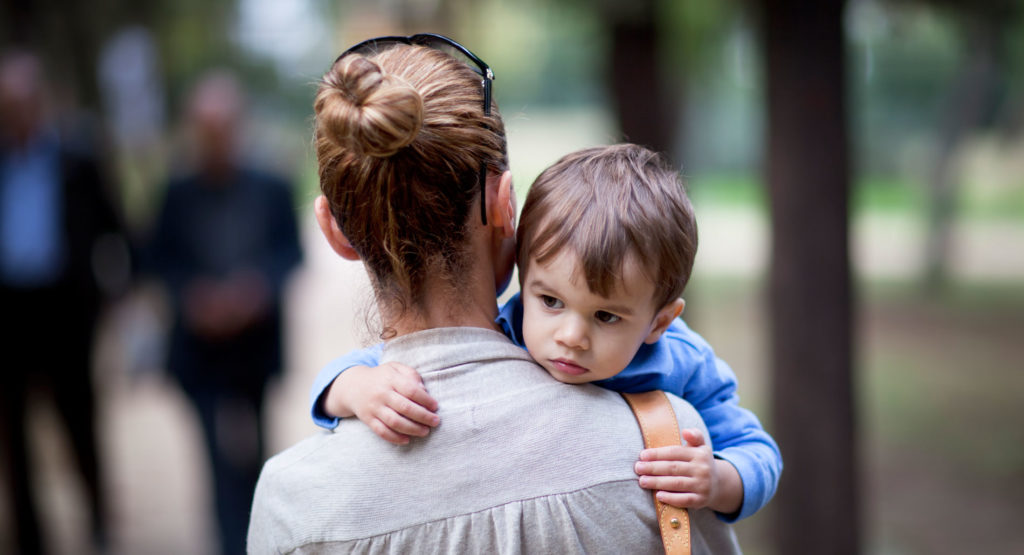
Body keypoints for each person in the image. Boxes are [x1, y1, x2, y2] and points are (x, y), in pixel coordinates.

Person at [248, 34, 740, 553]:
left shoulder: (293, 502)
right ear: (507, 205)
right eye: (553, 302)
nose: (572, 335)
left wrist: (349, 389)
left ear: (335, 230)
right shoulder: (668, 448)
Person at [311, 143, 781, 520]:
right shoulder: (504, 327)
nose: (571, 335)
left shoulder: (683, 363)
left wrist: (719, 481)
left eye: (606, 317)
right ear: (521, 271)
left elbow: (758, 452)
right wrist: (355, 389)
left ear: (660, 321)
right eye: (551, 301)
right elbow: (351, 370)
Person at [148, 70, 301, 555]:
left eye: (223, 127)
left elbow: (290, 254)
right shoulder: (176, 190)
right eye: (205, 129)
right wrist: (193, 297)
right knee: (212, 455)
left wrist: (256, 292)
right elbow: (157, 259)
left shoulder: (272, 184)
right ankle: (227, 542)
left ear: (239, 125)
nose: (214, 139)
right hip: (199, 350)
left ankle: (262, 535)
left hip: (254, 345)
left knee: (256, 449)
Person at [0, 48, 124, 554]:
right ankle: (28, 537)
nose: (17, 115)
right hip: (8, 311)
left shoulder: (79, 154)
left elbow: (114, 226)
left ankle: (97, 521)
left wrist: (121, 296)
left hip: (67, 309)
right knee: (13, 432)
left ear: (41, 101)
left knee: (79, 419)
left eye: (24, 103)